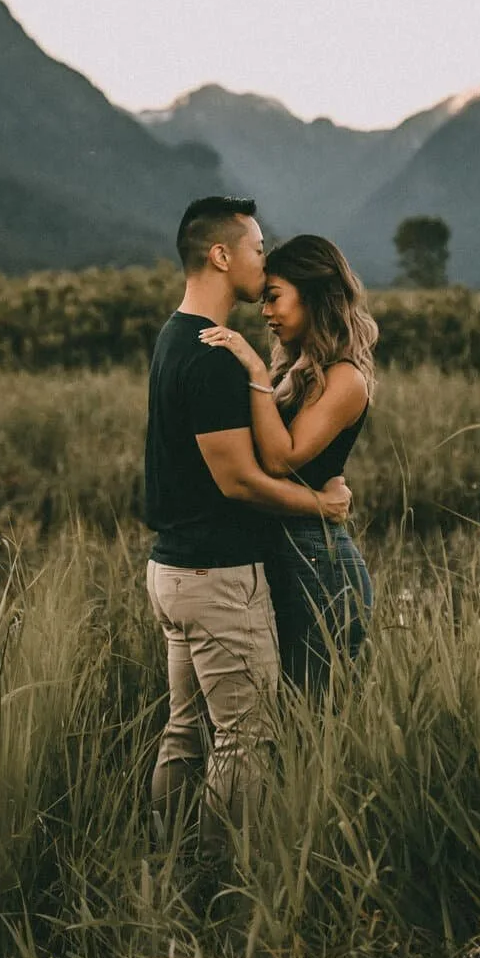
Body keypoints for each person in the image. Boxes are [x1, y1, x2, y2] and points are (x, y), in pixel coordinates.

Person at [144, 196, 351, 831]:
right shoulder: (213, 355)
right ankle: (223, 877)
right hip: (218, 576)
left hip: (173, 569)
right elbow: (238, 481)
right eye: (258, 250)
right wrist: (322, 505)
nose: (264, 262)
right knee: (245, 737)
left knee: (185, 730)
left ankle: (167, 859)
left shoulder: (174, 336)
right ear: (220, 255)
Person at [199, 233, 376, 691]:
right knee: (286, 701)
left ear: (314, 296)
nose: (265, 312)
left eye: (274, 297)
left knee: (314, 707)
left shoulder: (344, 378)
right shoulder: (296, 371)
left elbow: (280, 459)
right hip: (284, 550)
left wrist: (255, 372)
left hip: (318, 558)